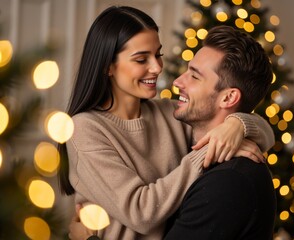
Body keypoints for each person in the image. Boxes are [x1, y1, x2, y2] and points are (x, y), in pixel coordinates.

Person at [60, 6, 275, 240]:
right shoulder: (84, 129)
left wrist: (237, 125)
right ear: (108, 66)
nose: (157, 67)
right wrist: (208, 149)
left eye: (158, 55)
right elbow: (141, 212)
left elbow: (261, 131)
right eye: (142, 59)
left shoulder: (170, 112)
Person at [163, 25, 276, 239]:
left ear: (228, 98)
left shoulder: (229, 182)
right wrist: (240, 124)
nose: (178, 82)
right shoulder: (183, 140)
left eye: (195, 77)